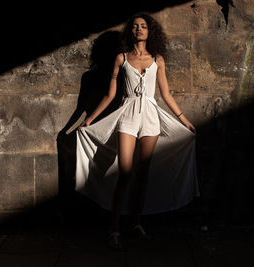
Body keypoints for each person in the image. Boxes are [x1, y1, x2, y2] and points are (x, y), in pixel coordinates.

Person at [75, 13, 199, 249]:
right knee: (125, 172)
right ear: (130, 31)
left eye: (143, 26)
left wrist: (184, 120)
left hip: (151, 118)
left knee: (142, 175)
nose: (139, 30)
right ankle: (114, 229)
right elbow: (110, 95)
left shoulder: (157, 60)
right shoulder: (121, 59)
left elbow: (165, 94)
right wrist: (89, 119)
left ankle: (135, 224)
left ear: (150, 31)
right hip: (128, 116)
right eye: (135, 27)